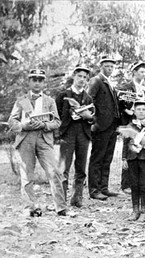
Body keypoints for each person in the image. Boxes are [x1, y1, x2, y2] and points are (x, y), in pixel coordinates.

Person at [8, 68, 67, 216]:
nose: (37, 83)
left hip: (44, 139)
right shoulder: (21, 101)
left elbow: (57, 122)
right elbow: (11, 121)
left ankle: (61, 207)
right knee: (27, 175)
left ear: (44, 83)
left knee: (53, 172)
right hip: (25, 138)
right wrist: (22, 125)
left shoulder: (50, 101)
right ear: (29, 82)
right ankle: (31, 207)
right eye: (34, 80)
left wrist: (44, 125)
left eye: (40, 80)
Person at [55, 65, 94, 208]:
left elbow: (94, 118)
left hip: (83, 135)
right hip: (68, 134)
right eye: (79, 76)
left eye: (85, 77)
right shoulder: (62, 95)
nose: (82, 80)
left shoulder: (88, 98)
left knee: (81, 168)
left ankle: (77, 199)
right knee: (63, 168)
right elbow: (56, 116)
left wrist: (88, 117)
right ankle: (61, 200)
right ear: (73, 76)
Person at [121, 100, 145, 222]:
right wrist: (124, 158)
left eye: (144, 109)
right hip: (132, 158)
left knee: (144, 185)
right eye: (138, 109)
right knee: (134, 184)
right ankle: (135, 210)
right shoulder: (130, 126)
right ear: (134, 111)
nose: (141, 112)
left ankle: (144, 211)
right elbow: (125, 143)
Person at [87, 55, 121, 200]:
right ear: (101, 67)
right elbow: (89, 101)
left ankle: (104, 188)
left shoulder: (109, 82)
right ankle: (94, 190)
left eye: (112, 67)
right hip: (100, 126)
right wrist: (94, 119)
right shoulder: (96, 80)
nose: (110, 69)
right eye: (107, 66)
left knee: (107, 158)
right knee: (97, 158)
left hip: (111, 126)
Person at [117, 61, 145, 193]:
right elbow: (119, 103)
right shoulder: (126, 86)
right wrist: (126, 110)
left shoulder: (144, 88)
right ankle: (125, 184)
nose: (143, 74)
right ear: (134, 72)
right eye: (141, 72)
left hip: (140, 122)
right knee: (127, 150)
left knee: (138, 149)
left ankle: (138, 183)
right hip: (129, 122)